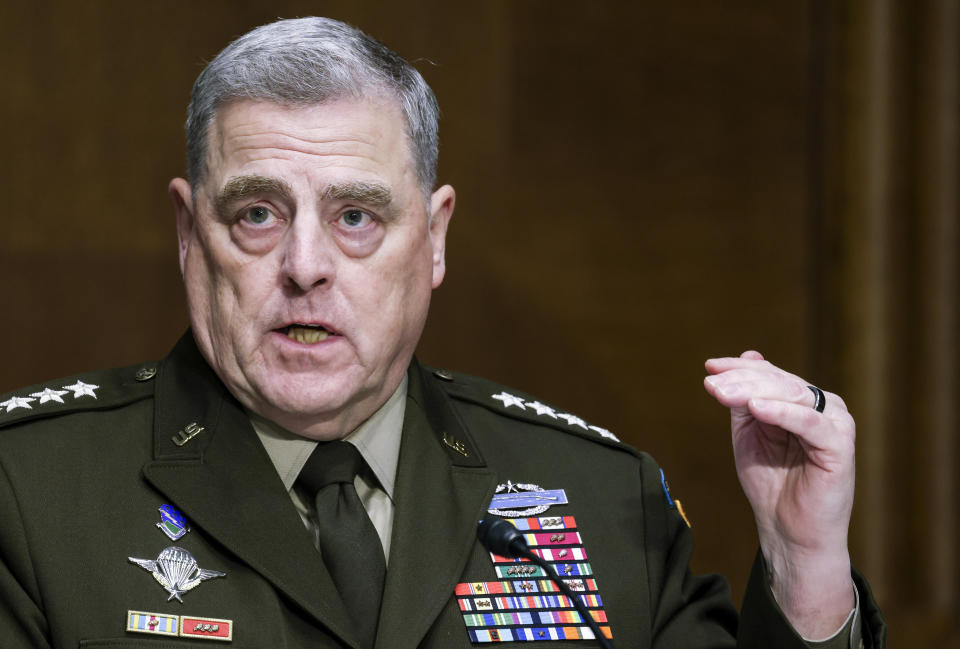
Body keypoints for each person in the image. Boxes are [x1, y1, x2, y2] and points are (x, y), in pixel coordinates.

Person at [0, 16, 884, 649]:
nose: (305, 264)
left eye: (356, 216)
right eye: (259, 213)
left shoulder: (602, 501)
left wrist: (807, 570)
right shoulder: (30, 496)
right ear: (192, 237)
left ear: (434, 240)